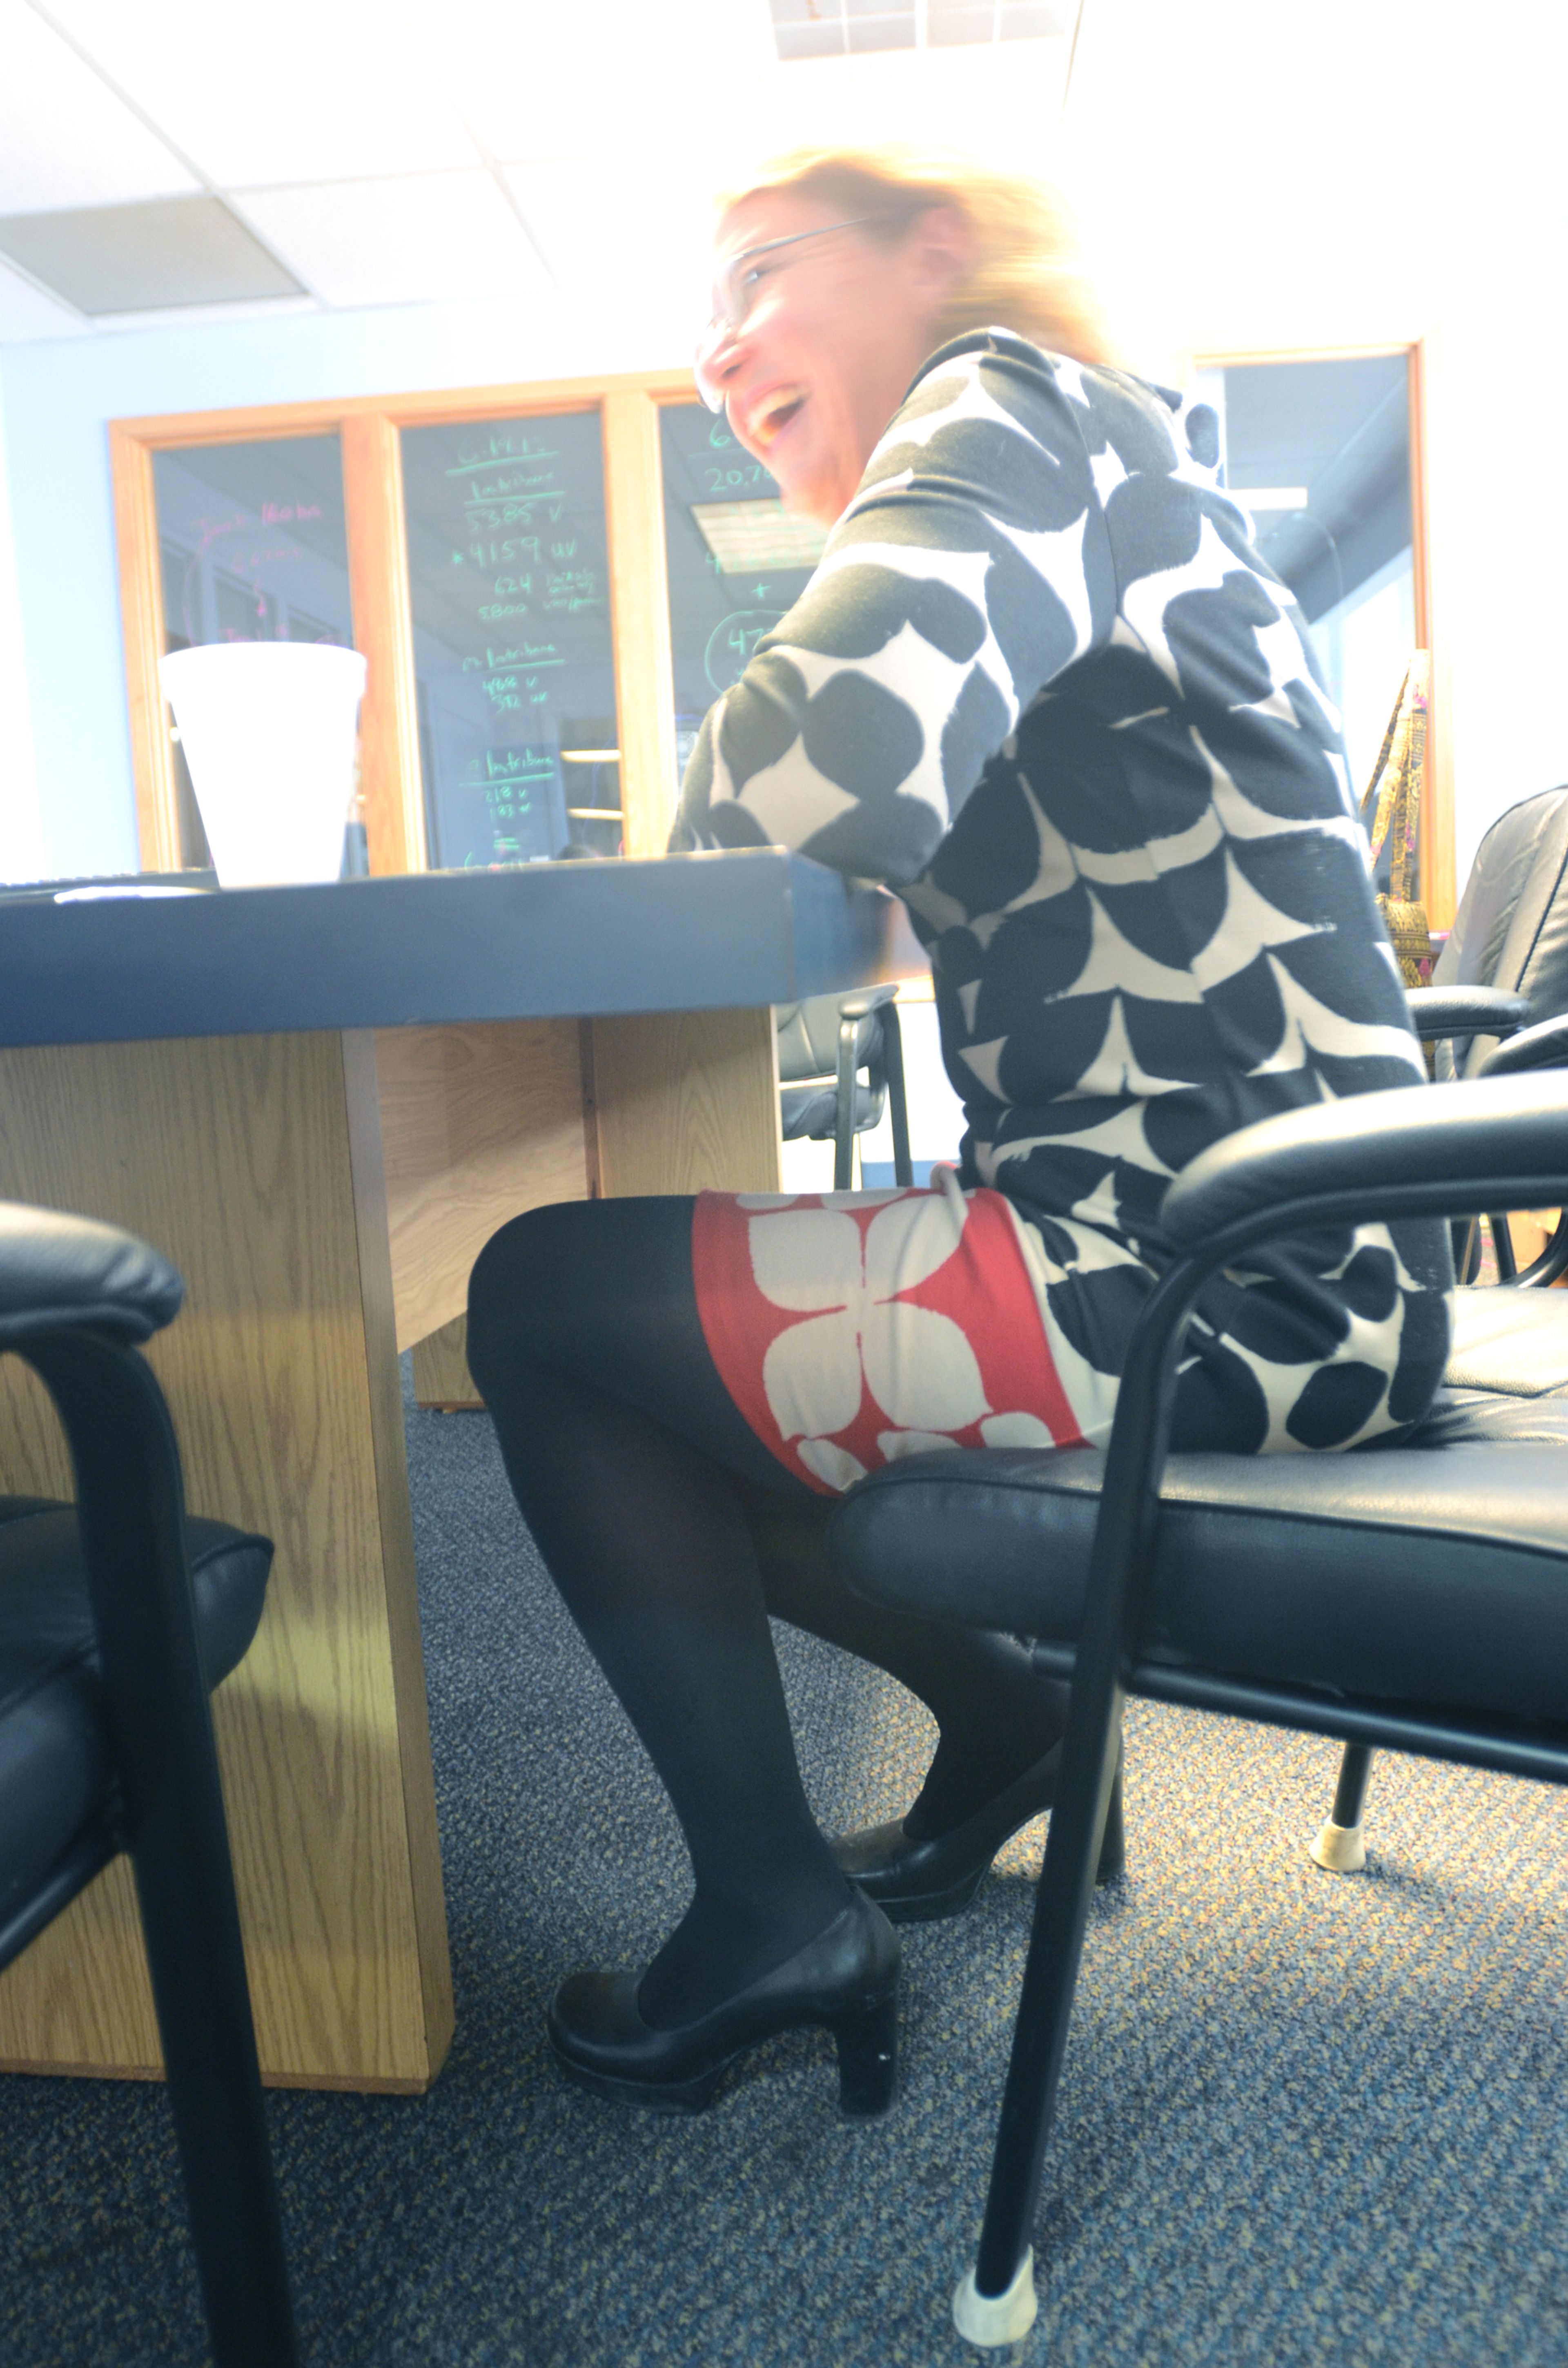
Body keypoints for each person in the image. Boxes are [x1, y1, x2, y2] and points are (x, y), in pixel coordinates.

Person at [466, 146, 1452, 2118]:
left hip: (1225, 1278)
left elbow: (791, 777)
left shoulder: (1013, 409)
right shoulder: (1099, 458)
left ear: (940, 256)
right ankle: (1006, 1723)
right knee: (679, 1334)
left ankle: (772, 1910)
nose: (721, 347)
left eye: (759, 274)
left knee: (554, 1302)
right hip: (1274, 1245)